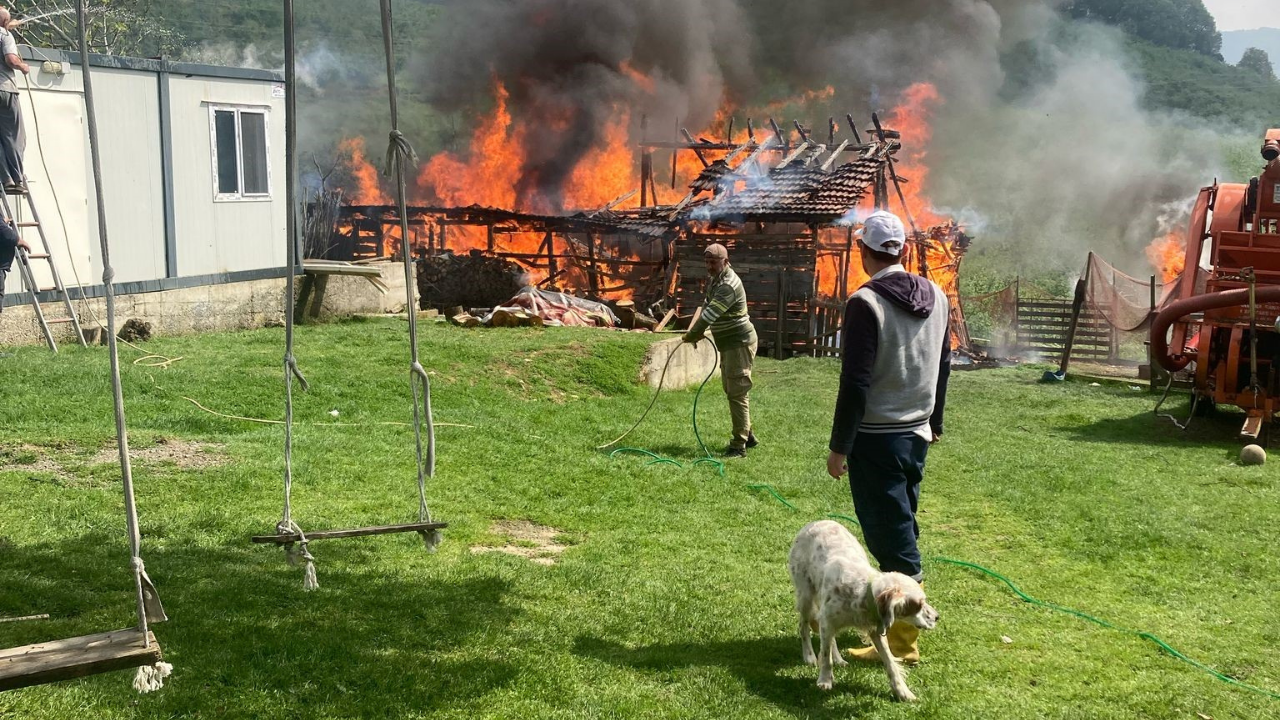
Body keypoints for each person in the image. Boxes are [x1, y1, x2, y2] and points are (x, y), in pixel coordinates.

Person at [826, 210, 951, 665]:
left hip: (878, 438)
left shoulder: (865, 302)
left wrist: (840, 446)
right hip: (915, 432)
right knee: (902, 520)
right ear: (902, 250)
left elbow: (855, 382)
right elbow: (943, 365)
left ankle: (902, 640)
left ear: (864, 252)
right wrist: (934, 421)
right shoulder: (936, 294)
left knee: (890, 535)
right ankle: (898, 626)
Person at [682, 242, 758, 458]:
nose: (709, 266)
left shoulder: (728, 285)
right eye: (706, 262)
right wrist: (695, 332)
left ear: (725, 261)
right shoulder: (716, 280)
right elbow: (706, 306)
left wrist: (693, 334)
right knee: (732, 389)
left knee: (737, 392)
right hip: (729, 343)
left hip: (739, 343)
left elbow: (709, 315)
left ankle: (738, 445)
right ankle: (747, 433)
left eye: (713, 262)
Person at [0, 9, 28, 195]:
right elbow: (10, 59)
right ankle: (17, 179)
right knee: (15, 137)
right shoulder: (5, 35)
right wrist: (22, 66)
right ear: (5, 22)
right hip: (4, 90)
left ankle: (5, 178)